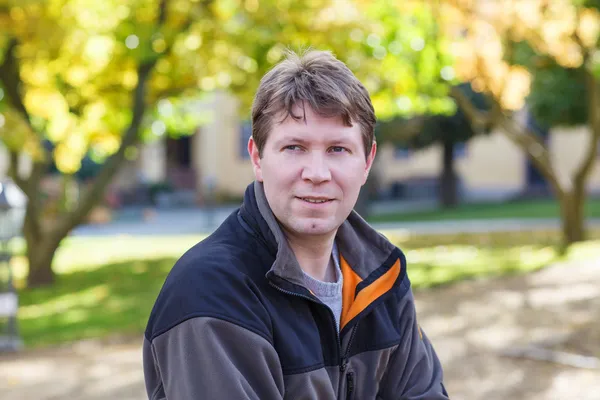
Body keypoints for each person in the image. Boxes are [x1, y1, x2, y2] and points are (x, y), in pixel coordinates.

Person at [143, 49, 449, 399]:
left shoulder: (381, 276)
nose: (317, 174)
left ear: (367, 162)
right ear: (257, 158)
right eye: (294, 147)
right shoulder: (209, 293)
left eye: (337, 149)